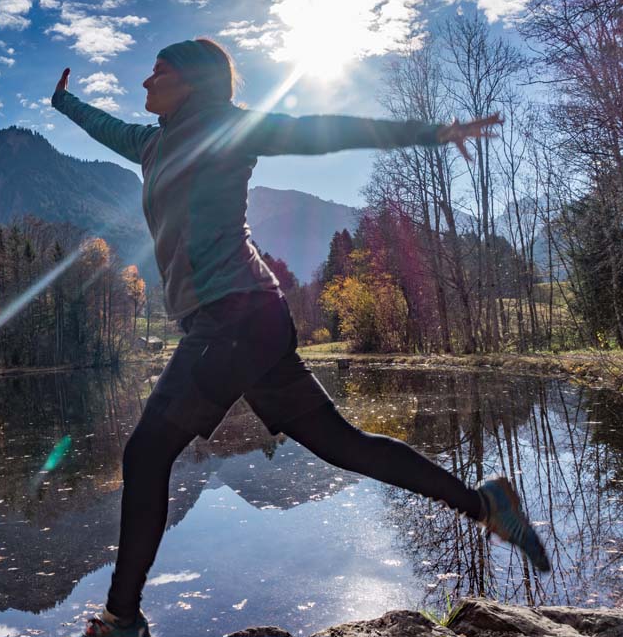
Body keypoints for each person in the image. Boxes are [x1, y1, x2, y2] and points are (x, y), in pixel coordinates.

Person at [51, 38, 550, 637]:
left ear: (193, 81)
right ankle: (484, 503)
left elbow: (323, 131)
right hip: (244, 320)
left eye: (158, 72)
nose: (144, 84)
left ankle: (122, 619)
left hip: (234, 316)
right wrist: (64, 103)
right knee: (343, 444)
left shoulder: (227, 129)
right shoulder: (151, 143)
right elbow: (107, 126)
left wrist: (431, 133)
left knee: (146, 452)